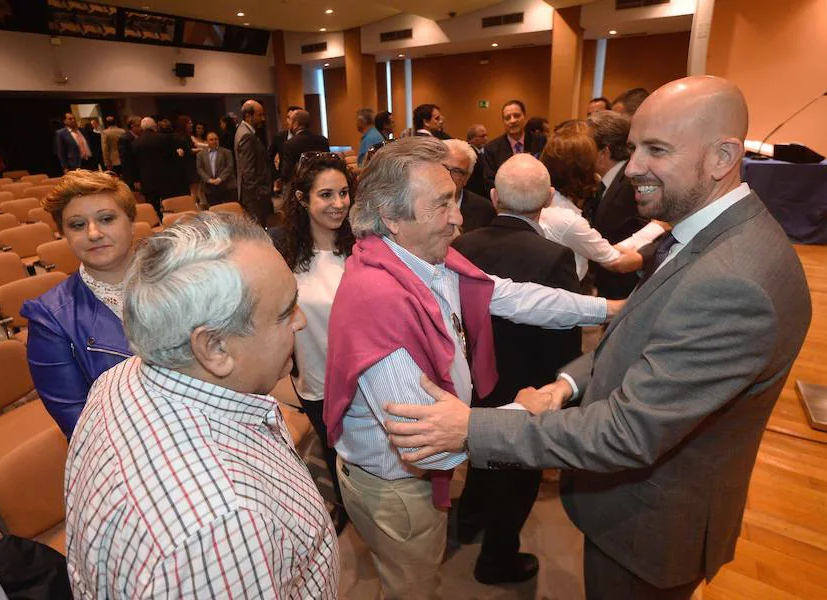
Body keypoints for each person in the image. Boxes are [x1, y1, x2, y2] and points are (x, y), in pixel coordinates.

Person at [383, 75, 814, 600]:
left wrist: (472, 429)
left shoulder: (734, 281)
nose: (632, 168)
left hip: (650, 528)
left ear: (723, 156)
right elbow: (635, 330)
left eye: (656, 150)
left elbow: (628, 432)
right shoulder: (703, 237)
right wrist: (565, 385)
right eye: (634, 149)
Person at [322, 136, 621, 599]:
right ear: (391, 218)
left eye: (455, 201)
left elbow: (510, 294)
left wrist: (607, 309)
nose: (459, 219)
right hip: (396, 485)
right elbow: (431, 448)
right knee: (413, 585)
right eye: (442, 205)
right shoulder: (378, 301)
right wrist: (527, 411)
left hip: (412, 473)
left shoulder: (423, 259)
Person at [65, 212, 338, 599]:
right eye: (283, 313)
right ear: (214, 348)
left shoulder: (121, 377)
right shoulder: (220, 529)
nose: (300, 323)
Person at [451, 154, 582, 585]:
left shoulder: (461, 245)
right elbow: (564, 334)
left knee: (477, 457)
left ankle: (467, 520)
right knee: (518, 478)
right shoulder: (555, 256)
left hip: (472, 381)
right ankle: (497, 558)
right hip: (527, 386)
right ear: (547, 200)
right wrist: (559, 395)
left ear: (492, 197)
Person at [273, 153, 356, 535]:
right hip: (316, 375)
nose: (339, 204)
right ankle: (344, 504)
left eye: (343, 192)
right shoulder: (284, 256)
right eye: (326, 194)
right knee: (333, 450)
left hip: (364, 375)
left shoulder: (363, 250)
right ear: (303, 199)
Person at [21, 170, 135, 439]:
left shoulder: (180, 281)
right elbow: (84, 431)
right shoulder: (49, 320)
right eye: (77, 225)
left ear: (131, 222)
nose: (94, 233)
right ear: (64, 234)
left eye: (106, 219)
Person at [538, 130, 647, 281]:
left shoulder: (543, 203)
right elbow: (616, 260)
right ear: (582, 171)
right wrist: (657, 229)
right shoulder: (567, 219)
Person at [586, 109, 667, 299]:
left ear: (604, 152)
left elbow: (665, 226)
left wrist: (641, 259)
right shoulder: (606, 180)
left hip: (628, 289)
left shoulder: (633, 182)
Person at [483, 100, 547, 191]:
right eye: (507, 118)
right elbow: (489, 180)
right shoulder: (492, 148)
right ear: (503, 122)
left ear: (525, 118)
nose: (512, 121)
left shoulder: (540, 141)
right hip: (506, 198)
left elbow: (546, 171)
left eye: (516, 116)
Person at [235, 99, 275, 226]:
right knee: (259, 231)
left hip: (253, 194)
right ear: (248, 116)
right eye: (259, 115)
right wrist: (260, 192)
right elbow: (248, 170)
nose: (263, 119)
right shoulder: (246, 135)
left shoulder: (244, 131)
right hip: (254, 197)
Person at [442, 139, 495, 232]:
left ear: (466, 178)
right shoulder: (417, 204)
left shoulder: (485, 211)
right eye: (443, 167)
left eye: (456, 171)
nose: (447, 175)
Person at [132, 117, 181, 218]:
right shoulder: (164, 138)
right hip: (166, 177)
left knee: (153, 206)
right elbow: (173, 157)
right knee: (169, 204)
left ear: (142, 127)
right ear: (154, 126)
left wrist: (136, 180)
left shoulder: (136, 143)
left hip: (147, 179)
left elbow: (134, 163)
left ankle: (158, 221)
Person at [280, 110, 330, 184]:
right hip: (321, 182)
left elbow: (286, 173)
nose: (287, 123)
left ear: (296, 124)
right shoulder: (323, 140)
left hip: (300, 185)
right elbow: (328, 164)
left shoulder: (290, 144)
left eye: (290, 119)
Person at [196, 131, 237, 206]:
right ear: (207, 141)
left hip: (226, 186)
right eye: (211, 139)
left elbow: (230, 167)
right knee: (215, 212)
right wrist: (209, 180)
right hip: (210, 188)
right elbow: (199, 169)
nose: (214, 141)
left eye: (216, 139)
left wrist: (220, 179)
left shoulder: (227, 152)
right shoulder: (200, 155)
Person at [464, 124, 489, 198]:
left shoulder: (479, 152)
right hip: (475, 194)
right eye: (482, 136)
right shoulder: (469, 153)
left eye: (486, 135)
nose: (486, 138)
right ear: (472, 139)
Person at [118, 116, 142, 188]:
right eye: (139, 125)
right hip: (133, 173)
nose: (141, 128)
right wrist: (131, 179)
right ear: (132, 126)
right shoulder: (124, 138)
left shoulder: (141, 136)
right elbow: (125, 159)